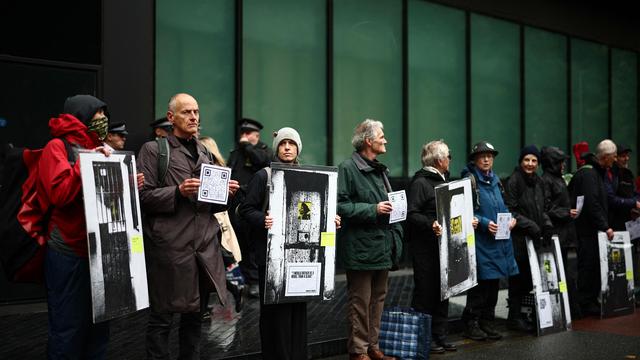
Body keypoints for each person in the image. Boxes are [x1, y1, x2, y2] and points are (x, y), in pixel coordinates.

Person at [137, 93, 240, 359]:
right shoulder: (154, 150)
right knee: (162, 319)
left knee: (195, 319)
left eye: (196, 112)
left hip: (204, 249)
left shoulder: (204, 151)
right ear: (171, 118)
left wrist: (225, 195)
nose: (194, 117)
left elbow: (211, 205)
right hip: (170, 248)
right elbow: (142, 197)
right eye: (186, 112)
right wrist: (177, 191)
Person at [240, 127, 334, 359]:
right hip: (271, 257)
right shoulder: (264, 175)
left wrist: (330, 220)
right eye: (283, 144)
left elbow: (310, 211)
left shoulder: (307, 175)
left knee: (297, 311)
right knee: (275, 314)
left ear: (298, 148)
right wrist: (264, 220)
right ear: (277, 148)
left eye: (292, 143)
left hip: (299, 256)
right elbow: (245, 209)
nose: (287, 148)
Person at [39, 94, 112, 359]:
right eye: (98, 115)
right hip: (68, 252)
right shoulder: (57, 148)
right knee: (67, 328)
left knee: (99, 330)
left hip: (99, 252)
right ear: (81, 116)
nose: (104, 120)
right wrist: (85, 162)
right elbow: (59, 195)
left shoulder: (101, 146)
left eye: (105, 115)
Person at [337, 119, 403, 360]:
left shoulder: (379, 169)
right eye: (381, 136)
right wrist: (373, 209)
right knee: (360, 302)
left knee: (378, 300)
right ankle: (358, 351)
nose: (385, 140)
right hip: (361, 249)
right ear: (368, 140)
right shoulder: (347, 168)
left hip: (381, 246)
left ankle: (373, 347)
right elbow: (340, 206)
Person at [407, 140, 462, 354]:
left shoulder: (443, 180)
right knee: (426, 293)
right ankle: (425, 338)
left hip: (444, 247)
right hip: (425, 249)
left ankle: (440, 335)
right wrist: (431, 224)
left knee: (443, 292)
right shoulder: (421, 182)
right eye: (449, 156)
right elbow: (412, 214)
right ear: (440, 160)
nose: (450, 159)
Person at [460, 141, 517, 342]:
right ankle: (471, 324)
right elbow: (464, 211)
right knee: (480, 286)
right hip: (480, 242)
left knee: (493, 286)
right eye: (482, 156)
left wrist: (511, 219)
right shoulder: (469, 181)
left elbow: (503, 206)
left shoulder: (496, 181)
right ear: (474, 160)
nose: (486, 159)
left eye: (490, 156)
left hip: (499, 241)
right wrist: (485, 223)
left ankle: (487, 322)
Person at [504, 145, 553, 332]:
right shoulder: (514, 181)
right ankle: (514, 317)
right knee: (518, 279)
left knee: (530, 280)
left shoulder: (539, 182)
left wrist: (546, 224)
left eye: (534, 161)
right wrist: (531, 225)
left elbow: (544, 209)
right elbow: (510, 211)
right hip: (518, 239)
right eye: (527, 160)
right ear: (520, 161)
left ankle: (525, 315)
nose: (530, 164)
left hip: (535, 239)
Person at [568, 139, 615, 316]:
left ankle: (588, 302)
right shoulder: (589, 174)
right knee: (588, 267)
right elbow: (591, 203)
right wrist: (605, 226)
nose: (615, 159)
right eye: (614, 156)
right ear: (606, 157)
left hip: (589, 230)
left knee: (592, 266)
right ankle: (585, 303)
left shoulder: (594, 173)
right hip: (586, 231)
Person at [199, 135, 245, 316]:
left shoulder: (212, 169)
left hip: (213, 223)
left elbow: (212, 204)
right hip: (219, 222)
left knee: (207, 265)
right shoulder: (220, 167)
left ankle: (230, 289)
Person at [228, 118, 273, 297]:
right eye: (243, 134)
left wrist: (248, 147)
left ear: (257, 135)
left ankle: (255, 282)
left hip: (256, 205)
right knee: (240, 244)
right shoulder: (236, 152)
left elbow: (263, 162)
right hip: (237, 204)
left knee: (253, 244)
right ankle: (245, 280)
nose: (245, 137)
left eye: (249, 134)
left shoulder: (263, 150)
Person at [540, 146, 580, 316]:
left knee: (565, 273)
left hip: (564, 233)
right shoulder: (547, 180)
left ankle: (567, 309)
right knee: (559, 273)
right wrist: (566, 212)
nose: (563, 164)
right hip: (557, 234)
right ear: (552, 163)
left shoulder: (558, 178)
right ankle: (561, 311)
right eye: (560, 161)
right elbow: (546, 208)